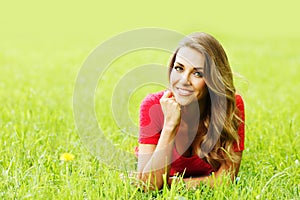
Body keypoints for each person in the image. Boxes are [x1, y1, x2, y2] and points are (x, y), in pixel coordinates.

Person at [136, 32, 245, 190]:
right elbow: (147, 185)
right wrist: (169, 126)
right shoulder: (153, 106)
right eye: (179, 68)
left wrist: (170, 183)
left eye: (197, 73)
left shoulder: (231, 106)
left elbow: (227, 179)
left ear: (213, 79)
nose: (183, 81)